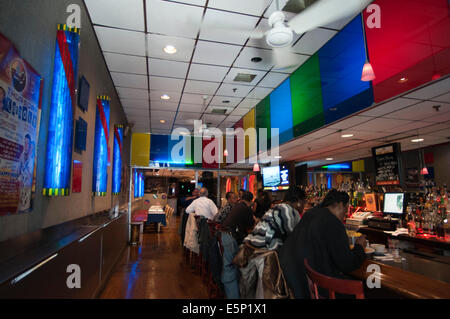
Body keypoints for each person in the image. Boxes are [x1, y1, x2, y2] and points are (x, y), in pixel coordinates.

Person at [279, 189, 367, 299]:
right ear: (340, 205)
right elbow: (347, 264)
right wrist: (360, 246)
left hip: (295, 278)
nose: (344, 216)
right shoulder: (332, 222)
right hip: (319, 288)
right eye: (345, 211)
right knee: (367, 287)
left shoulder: (310, 214)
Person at [244, 186, 306, 251]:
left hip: (253, 249)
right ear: (299, 201)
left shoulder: (278, 207)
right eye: (304, 202)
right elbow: (299, 237)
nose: (304, 205)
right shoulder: (289, 211)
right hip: (264, 254)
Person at [220, 191, 255, 299]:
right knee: (230, 266)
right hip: (230, 237)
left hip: (225, 235)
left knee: (230, 266)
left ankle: (232, 293)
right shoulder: (246, 208)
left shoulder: (237, 206)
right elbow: (251, 227)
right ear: (251, 202)